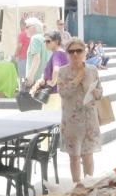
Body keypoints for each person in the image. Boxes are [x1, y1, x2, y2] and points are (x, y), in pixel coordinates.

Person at [57, 37, 102, 183]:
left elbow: (99, 89)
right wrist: (78, 77)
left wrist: (97, 93)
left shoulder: (93, 69)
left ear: (84, 51)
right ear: (67, 54)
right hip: (71, 121)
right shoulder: (63, 72)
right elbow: (64, 92)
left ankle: (89, 185)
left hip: (89, 119)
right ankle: (76, 187)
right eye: (71, 51)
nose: (75, 54)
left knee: (88, 156)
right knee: (74, 157)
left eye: (79, 51)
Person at [31, 31, 68, 109]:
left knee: (49, 118)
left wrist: (52, 82)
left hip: (53, 94)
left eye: (48, 41)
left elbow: (56, 70)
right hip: (62, 93)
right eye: (45, 41)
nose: (46, 44)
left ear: (57, 41)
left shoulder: (57, 54)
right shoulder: (64, 54)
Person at [24, 17, 49, 89]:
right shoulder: (44, 38)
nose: (25, 30)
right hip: (43, 79)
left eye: (27, 27)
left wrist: (30, 77)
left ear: (34, 27)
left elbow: (36, 58)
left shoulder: (35, 38)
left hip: (35, 79)